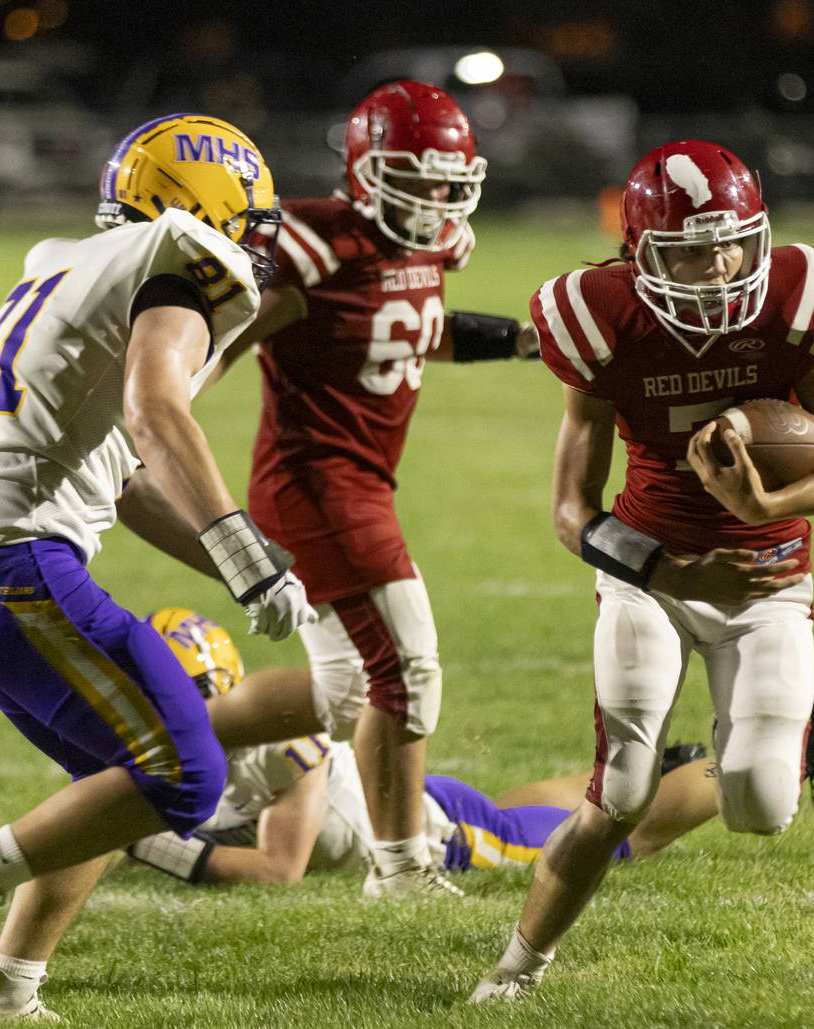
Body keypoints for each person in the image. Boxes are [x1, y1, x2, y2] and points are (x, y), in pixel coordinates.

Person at [0, 113, 315, 1024]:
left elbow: (119, 485)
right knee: (187, 773)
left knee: (113, 784)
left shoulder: (69, 269)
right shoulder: (178, 267)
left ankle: (11, 985)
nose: (254, 238)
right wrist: (245, 552)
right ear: (205, 207)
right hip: (9, 563)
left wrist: (249, 564)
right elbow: (160, 416)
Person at [472, 139, 814, 1002]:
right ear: (639, 253)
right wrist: (678, 571)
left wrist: (766, 508)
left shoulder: (795, 298)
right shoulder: (598, 316)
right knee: (620, 787)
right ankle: (518, 970)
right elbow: (570, 511)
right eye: (693, 248)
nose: (722, 264)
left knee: (762, 803)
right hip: (650, 574)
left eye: (736, 241)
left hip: (768, 576)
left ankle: (799, 734)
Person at [204, 81, 535, 898]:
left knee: (349, 691)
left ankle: (153, 747)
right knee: (408, 669)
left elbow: (416, 329)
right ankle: (401, 866)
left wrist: (523, 341)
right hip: (315, 484)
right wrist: (160, 400)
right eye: (416, 178)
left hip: (360, 482)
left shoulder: (429, 246)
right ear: (367, 167)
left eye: (446, 180)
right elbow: (217, 344)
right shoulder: (319, 244)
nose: (434, 197)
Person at [129, 609, 814, 887]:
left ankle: (792, 745)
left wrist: (150, 846)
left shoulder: (276, 744)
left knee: (621, 835)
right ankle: (672, 763)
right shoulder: (213, 732)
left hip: (441, 831)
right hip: (422, 802)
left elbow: (277, 868)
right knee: (543, 807)